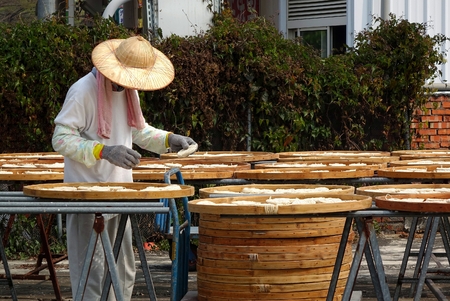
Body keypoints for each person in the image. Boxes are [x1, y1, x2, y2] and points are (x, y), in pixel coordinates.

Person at [52, 35, 197, 301]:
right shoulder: (83, 91)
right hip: (86, 197)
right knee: (91, 276)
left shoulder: (129, 92)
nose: (128, 84)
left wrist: (168, 139)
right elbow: (60, 138)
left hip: (119, 195)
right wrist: (103, 151)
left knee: (123, 272)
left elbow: (139, 131)